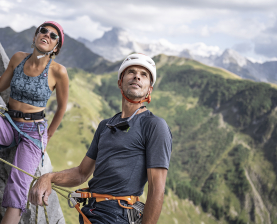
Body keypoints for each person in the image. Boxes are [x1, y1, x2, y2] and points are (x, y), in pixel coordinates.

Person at [29, 53, 172, 224]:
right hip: (91, 211)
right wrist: (49, 178)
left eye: (144, 75)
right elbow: (82, 173)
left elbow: (157, 189)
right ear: (120, 82)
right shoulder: (105, 125)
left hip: (119, 214)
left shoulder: (154, 125)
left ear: (150, 89)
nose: (137, 76)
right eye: (131, 72)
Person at [0, 21, 69, 224]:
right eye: (43, 31)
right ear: (35, 37)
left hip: (34, 132)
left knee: (18, 186)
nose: (47, 36)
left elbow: (61, 108)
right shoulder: (18, 58)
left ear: (56, 48)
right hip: (9, 123)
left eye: (53, 36)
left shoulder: (58, 72)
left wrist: (47, 137)